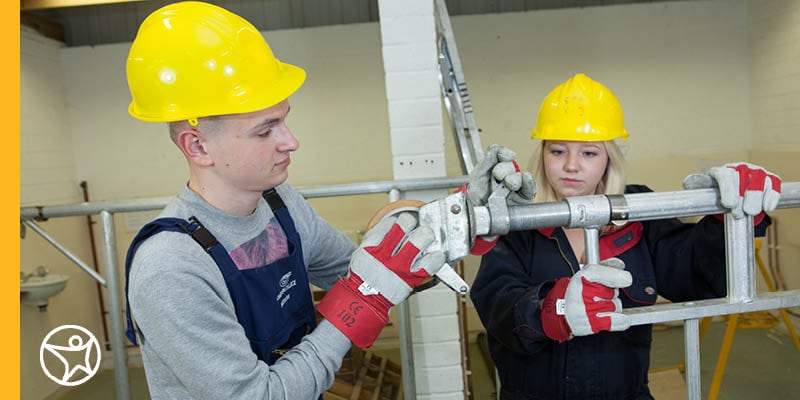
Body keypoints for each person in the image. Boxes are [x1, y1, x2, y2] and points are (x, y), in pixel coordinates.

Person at [121, 2, 531, 399]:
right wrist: (356, 307)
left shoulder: (280, 206)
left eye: (284, 119)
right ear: (198, 146)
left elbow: (370, 272)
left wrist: (460, 222)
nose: (291, 141)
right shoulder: (171, 267)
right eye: (266, 131)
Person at [469, 73, 782, 400]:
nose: (572, 166)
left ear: (609, 159)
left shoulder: (637, 214)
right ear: (542, 154)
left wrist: (728, 220)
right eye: (558, 151)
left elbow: (691, 272)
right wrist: (554, 308)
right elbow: (497, 304)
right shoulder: (519, 221)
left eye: (589, 153)